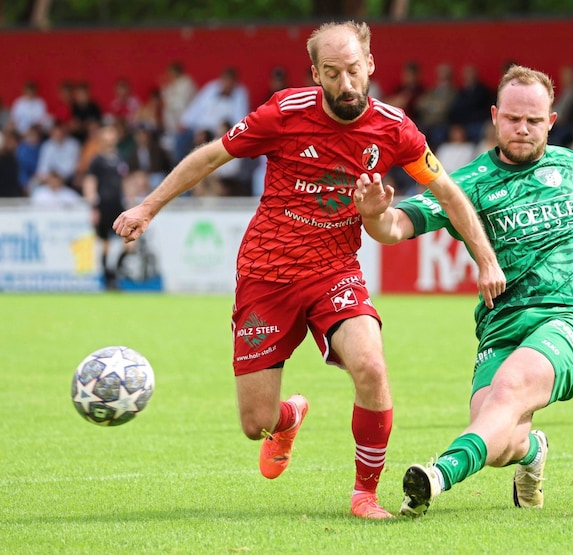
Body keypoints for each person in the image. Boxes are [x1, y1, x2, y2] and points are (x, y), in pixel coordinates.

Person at [111, 21, 505, 520]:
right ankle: (289, 416)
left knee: (371, 367)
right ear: (316, 72)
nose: (346, 84)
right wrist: (147, 208)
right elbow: (212, 156)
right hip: (266, 272)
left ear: (371, 66)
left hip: (334, 270)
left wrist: (486, 258)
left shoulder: (395, 128)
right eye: (333, 73)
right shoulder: (282, 113)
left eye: (354, 71)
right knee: (256, 423)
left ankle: (365, 494)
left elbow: (449, 193)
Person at [353, 65, 573, 518]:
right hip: (501, 325)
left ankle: (438, 475)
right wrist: (374, 214)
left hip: (570, 316)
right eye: (513, 118)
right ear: (495, 117)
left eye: (534, 121)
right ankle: (532, 450)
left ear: (551, 122)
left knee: (510, 389)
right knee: (499, 440)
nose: (522, 129)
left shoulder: (568, 165)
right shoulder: (468, 184)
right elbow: (395, 227)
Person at [83, 124, 129, 290]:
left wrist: (130, 204)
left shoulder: (120, 159)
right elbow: (90, 182)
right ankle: (108, 279)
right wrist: (93, 206)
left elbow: (125, 182)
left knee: (129, 244)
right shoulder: (97, 160)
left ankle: (115, 272)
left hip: (119, 205)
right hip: (103, 205)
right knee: (105, 243)